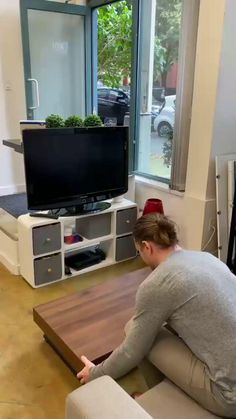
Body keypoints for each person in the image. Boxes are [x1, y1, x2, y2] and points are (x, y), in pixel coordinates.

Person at [77, 213, 236, 417]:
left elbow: (131, 351)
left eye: (139, 252)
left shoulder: (158, 283)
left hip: (228, 395)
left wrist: (95, 373)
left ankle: (164, 393)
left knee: (133, 329)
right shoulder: (206, 257)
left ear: (147, 247)